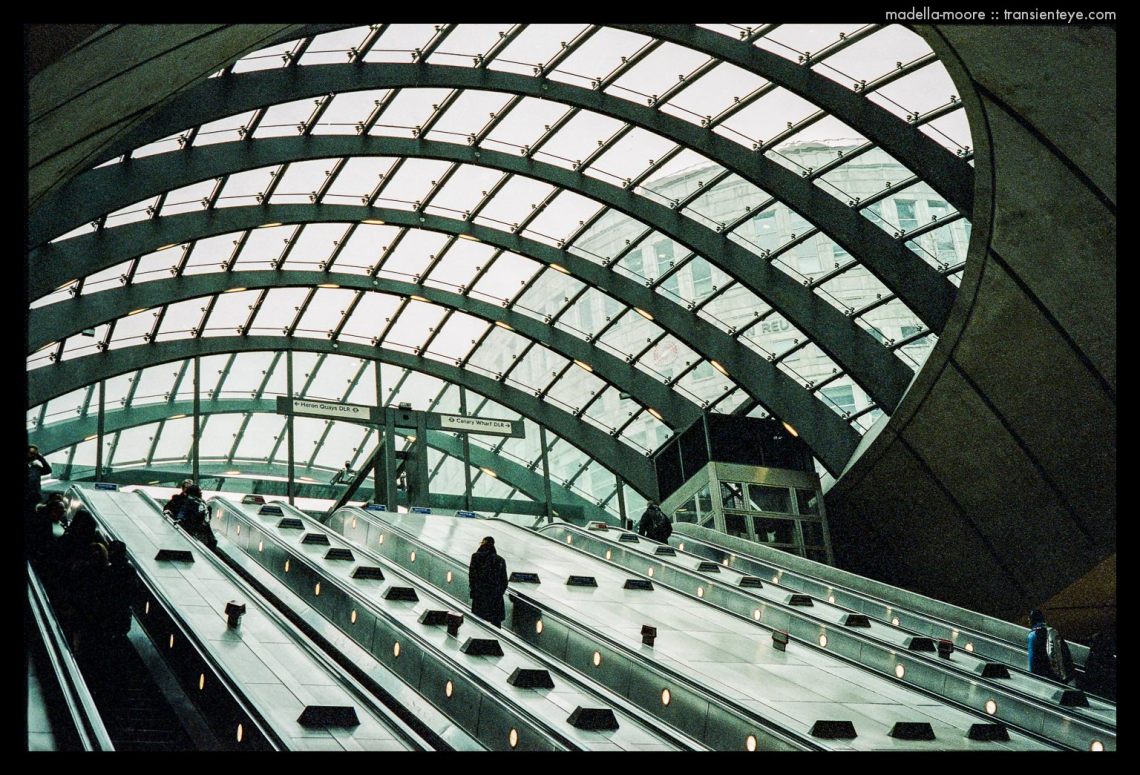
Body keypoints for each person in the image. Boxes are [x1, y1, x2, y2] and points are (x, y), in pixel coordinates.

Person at [468, 536, 508, 628]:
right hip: (495, 599)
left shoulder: (475, 557)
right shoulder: (500, 560)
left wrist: (475, 591)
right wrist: (498, 594)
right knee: (496, 625)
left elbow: (472, 577)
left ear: (483, 543)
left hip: (480, 597)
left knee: (478, 625)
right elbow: (504, 581)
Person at [176, 484, 218, 549]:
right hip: (196, 527)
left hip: (204, 526)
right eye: (199, 491)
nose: (201, 492)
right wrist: (180, 519)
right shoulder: (190, 501)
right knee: (207, 543)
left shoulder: (201, 501)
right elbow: (183, 511)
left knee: (212, 541)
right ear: (194, 492)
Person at [26, 444, 53, 516]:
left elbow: (48, 470)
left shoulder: (36, 468)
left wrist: (40, 457)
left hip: (35, 498)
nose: (34, 456)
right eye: (31, 453)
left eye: (35, 454)